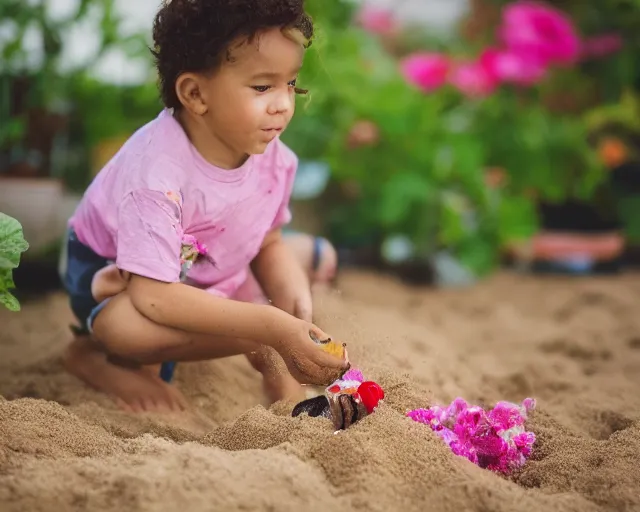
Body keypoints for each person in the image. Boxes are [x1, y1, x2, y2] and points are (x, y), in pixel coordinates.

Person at [61, 0, 347, 413]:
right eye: (263, 87)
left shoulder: (273, 155)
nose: (284, 104)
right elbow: (155, 298)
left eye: (292, 85)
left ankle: (267, 340)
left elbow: (267, 243)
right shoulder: (156, 177)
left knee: (314, 263)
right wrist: (269, 329)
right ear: (195, 94)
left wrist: (295, 307)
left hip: (200, 265)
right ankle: (93, 356)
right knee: (128, 331)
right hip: (120, 279)